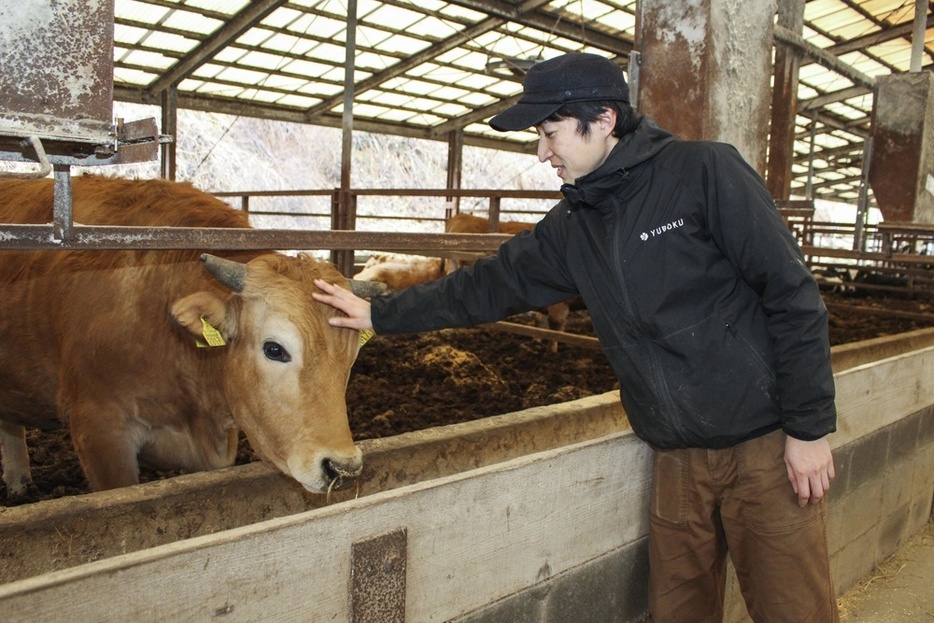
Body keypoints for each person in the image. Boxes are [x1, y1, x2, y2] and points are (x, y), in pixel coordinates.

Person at [313, 52, 838, 622]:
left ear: (604, 120)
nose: (542, 153)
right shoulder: (575, 226)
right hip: (676, 456)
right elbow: (487, 285)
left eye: (549, 132)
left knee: (794, 609)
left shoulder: (704, 172)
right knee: (679, 612)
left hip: (762, 443)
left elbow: (792, 292)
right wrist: (380, 311)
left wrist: (808, 429)